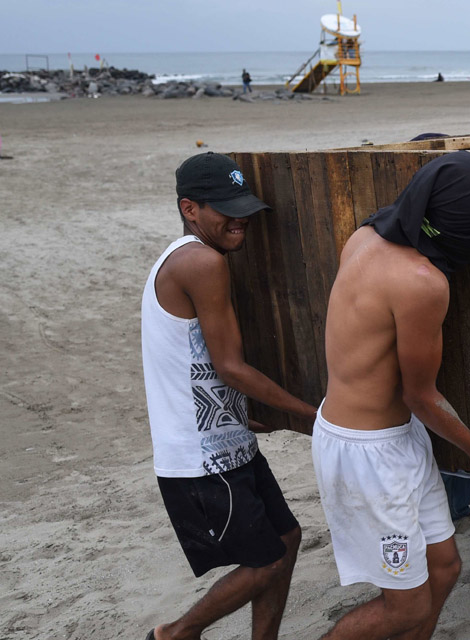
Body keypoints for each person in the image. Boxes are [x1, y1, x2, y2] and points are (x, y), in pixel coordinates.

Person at [313, 151, 470, 639]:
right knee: (403, 608)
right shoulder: (422, 283)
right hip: (366, 454)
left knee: (444, 571)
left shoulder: (365, 237)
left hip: (396, 438)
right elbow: (421, 395)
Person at [143, 152, 319, 640]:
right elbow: (231, 367)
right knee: (267, 562)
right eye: (225, 207)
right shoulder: (200, 261)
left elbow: (196, 364)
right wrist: (314, 413)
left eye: (244, 206)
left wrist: (242, 415)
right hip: (199, 457)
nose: (239, 218)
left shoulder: (191, 254)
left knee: (287, 538)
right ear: (190, 208)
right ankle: (177, 633)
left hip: (224, 439)